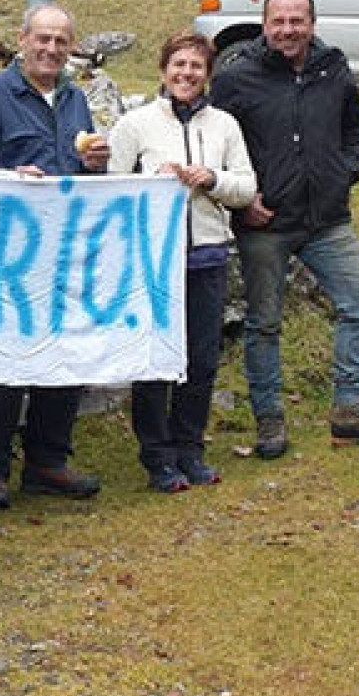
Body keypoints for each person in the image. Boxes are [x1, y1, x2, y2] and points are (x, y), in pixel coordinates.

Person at [210, 0, 359, 456]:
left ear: (312, 24)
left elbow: (356, 131)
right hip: (264, 224)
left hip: (326, 221)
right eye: (278, 21)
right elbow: (213, 146)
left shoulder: (333, 68)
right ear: (264, 25)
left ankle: (351, 411)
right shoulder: (236, 78)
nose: (287, 30)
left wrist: (343, 175)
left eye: (296, 21)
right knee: (264, 323)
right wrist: (242, 201)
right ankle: (269, 421)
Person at [0, 3, 112, 509]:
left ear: (72, 48)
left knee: (63, 355)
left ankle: (48, 461)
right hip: (9, 252)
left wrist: (94, 164)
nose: (50, 49)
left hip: (66, 249)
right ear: (21, 40)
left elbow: (84, 173)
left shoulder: (75, 99)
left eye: (61, 41)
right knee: (5, 360)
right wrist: (11, 180)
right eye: (42, 38)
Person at [107, 32, 256, 491]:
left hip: (207, 257)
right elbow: (112, 189)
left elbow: (247, 187)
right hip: (154, 261)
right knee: (155, 361)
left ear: (207, 74)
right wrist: (155, 182)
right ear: (163, 70)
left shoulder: (225, 125)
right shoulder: (135, 124)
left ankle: (190, 449)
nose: (186, 74)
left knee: (201, 359)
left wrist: (211, 179)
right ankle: (157, 457)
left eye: (195, 66)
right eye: (178, 65)